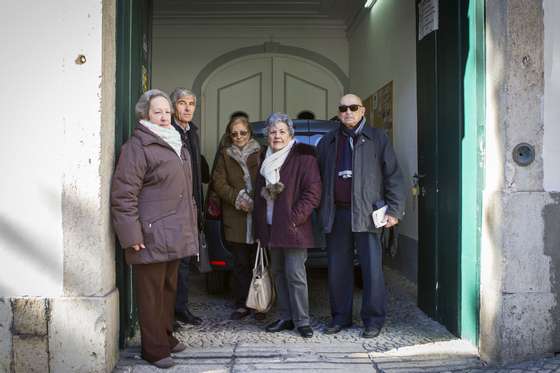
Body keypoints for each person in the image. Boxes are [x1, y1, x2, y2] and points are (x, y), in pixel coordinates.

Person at [111, 89, 198, 369]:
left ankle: (165, 336)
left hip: (175, 230)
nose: (163, 116)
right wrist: (131, 235)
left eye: (166, 112)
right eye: (157, 112)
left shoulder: (176, 141)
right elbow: (123, 194)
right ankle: (154, 349)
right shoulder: (138, 146)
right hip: (149, 234)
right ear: (145, 115)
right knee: (150, 294)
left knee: (168, 290)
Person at [317, 94, 406, 339]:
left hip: (368, 214)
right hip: (338, 214)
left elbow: (394, 176)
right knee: (338, 269)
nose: (347, 112)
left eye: (353, 107)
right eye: (343, 108)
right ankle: (340, 318)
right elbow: (317, 179)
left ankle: (373, 320)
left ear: (363, 110)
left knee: (372, 269)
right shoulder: (328, 141)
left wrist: (394, 210)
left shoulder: (378, 139)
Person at [253, 112, 321, 338]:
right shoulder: (265, 159)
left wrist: (294, 219)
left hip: (293, 228)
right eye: (272, 132)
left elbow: (313, 193)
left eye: (282, 131)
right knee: (278, 273)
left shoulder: (303, 157)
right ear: (267, 136)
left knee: (295, 274)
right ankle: (285, 317)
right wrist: (260, 228)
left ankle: (302, 321)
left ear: (291, 134)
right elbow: (258, 195)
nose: (277, 135)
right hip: (272, 226)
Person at [211, 116, 263, 320]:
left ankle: (260, 303)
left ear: (249, 133)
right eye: (235, 133)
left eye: (243, 132)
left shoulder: (262, 152)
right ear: (229, 136)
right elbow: (218, 182)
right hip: (236, 217)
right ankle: (242, 304)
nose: (239, 136)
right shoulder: (224, 155)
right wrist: (239, 198)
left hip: (259, 216)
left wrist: (257, 200)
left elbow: (270, 178)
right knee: (240, 264)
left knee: (260, 263)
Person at [169, 88, 204, 326]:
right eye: (182, 103)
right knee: (171, 264)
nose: (188, 108)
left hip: (190, 205)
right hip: (173, 207)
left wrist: (198, 206)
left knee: (184, 263)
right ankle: (168, 314)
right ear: (173, 107)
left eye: (191, 103)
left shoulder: (193, 132)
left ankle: (181, 309)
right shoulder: (168, 132)